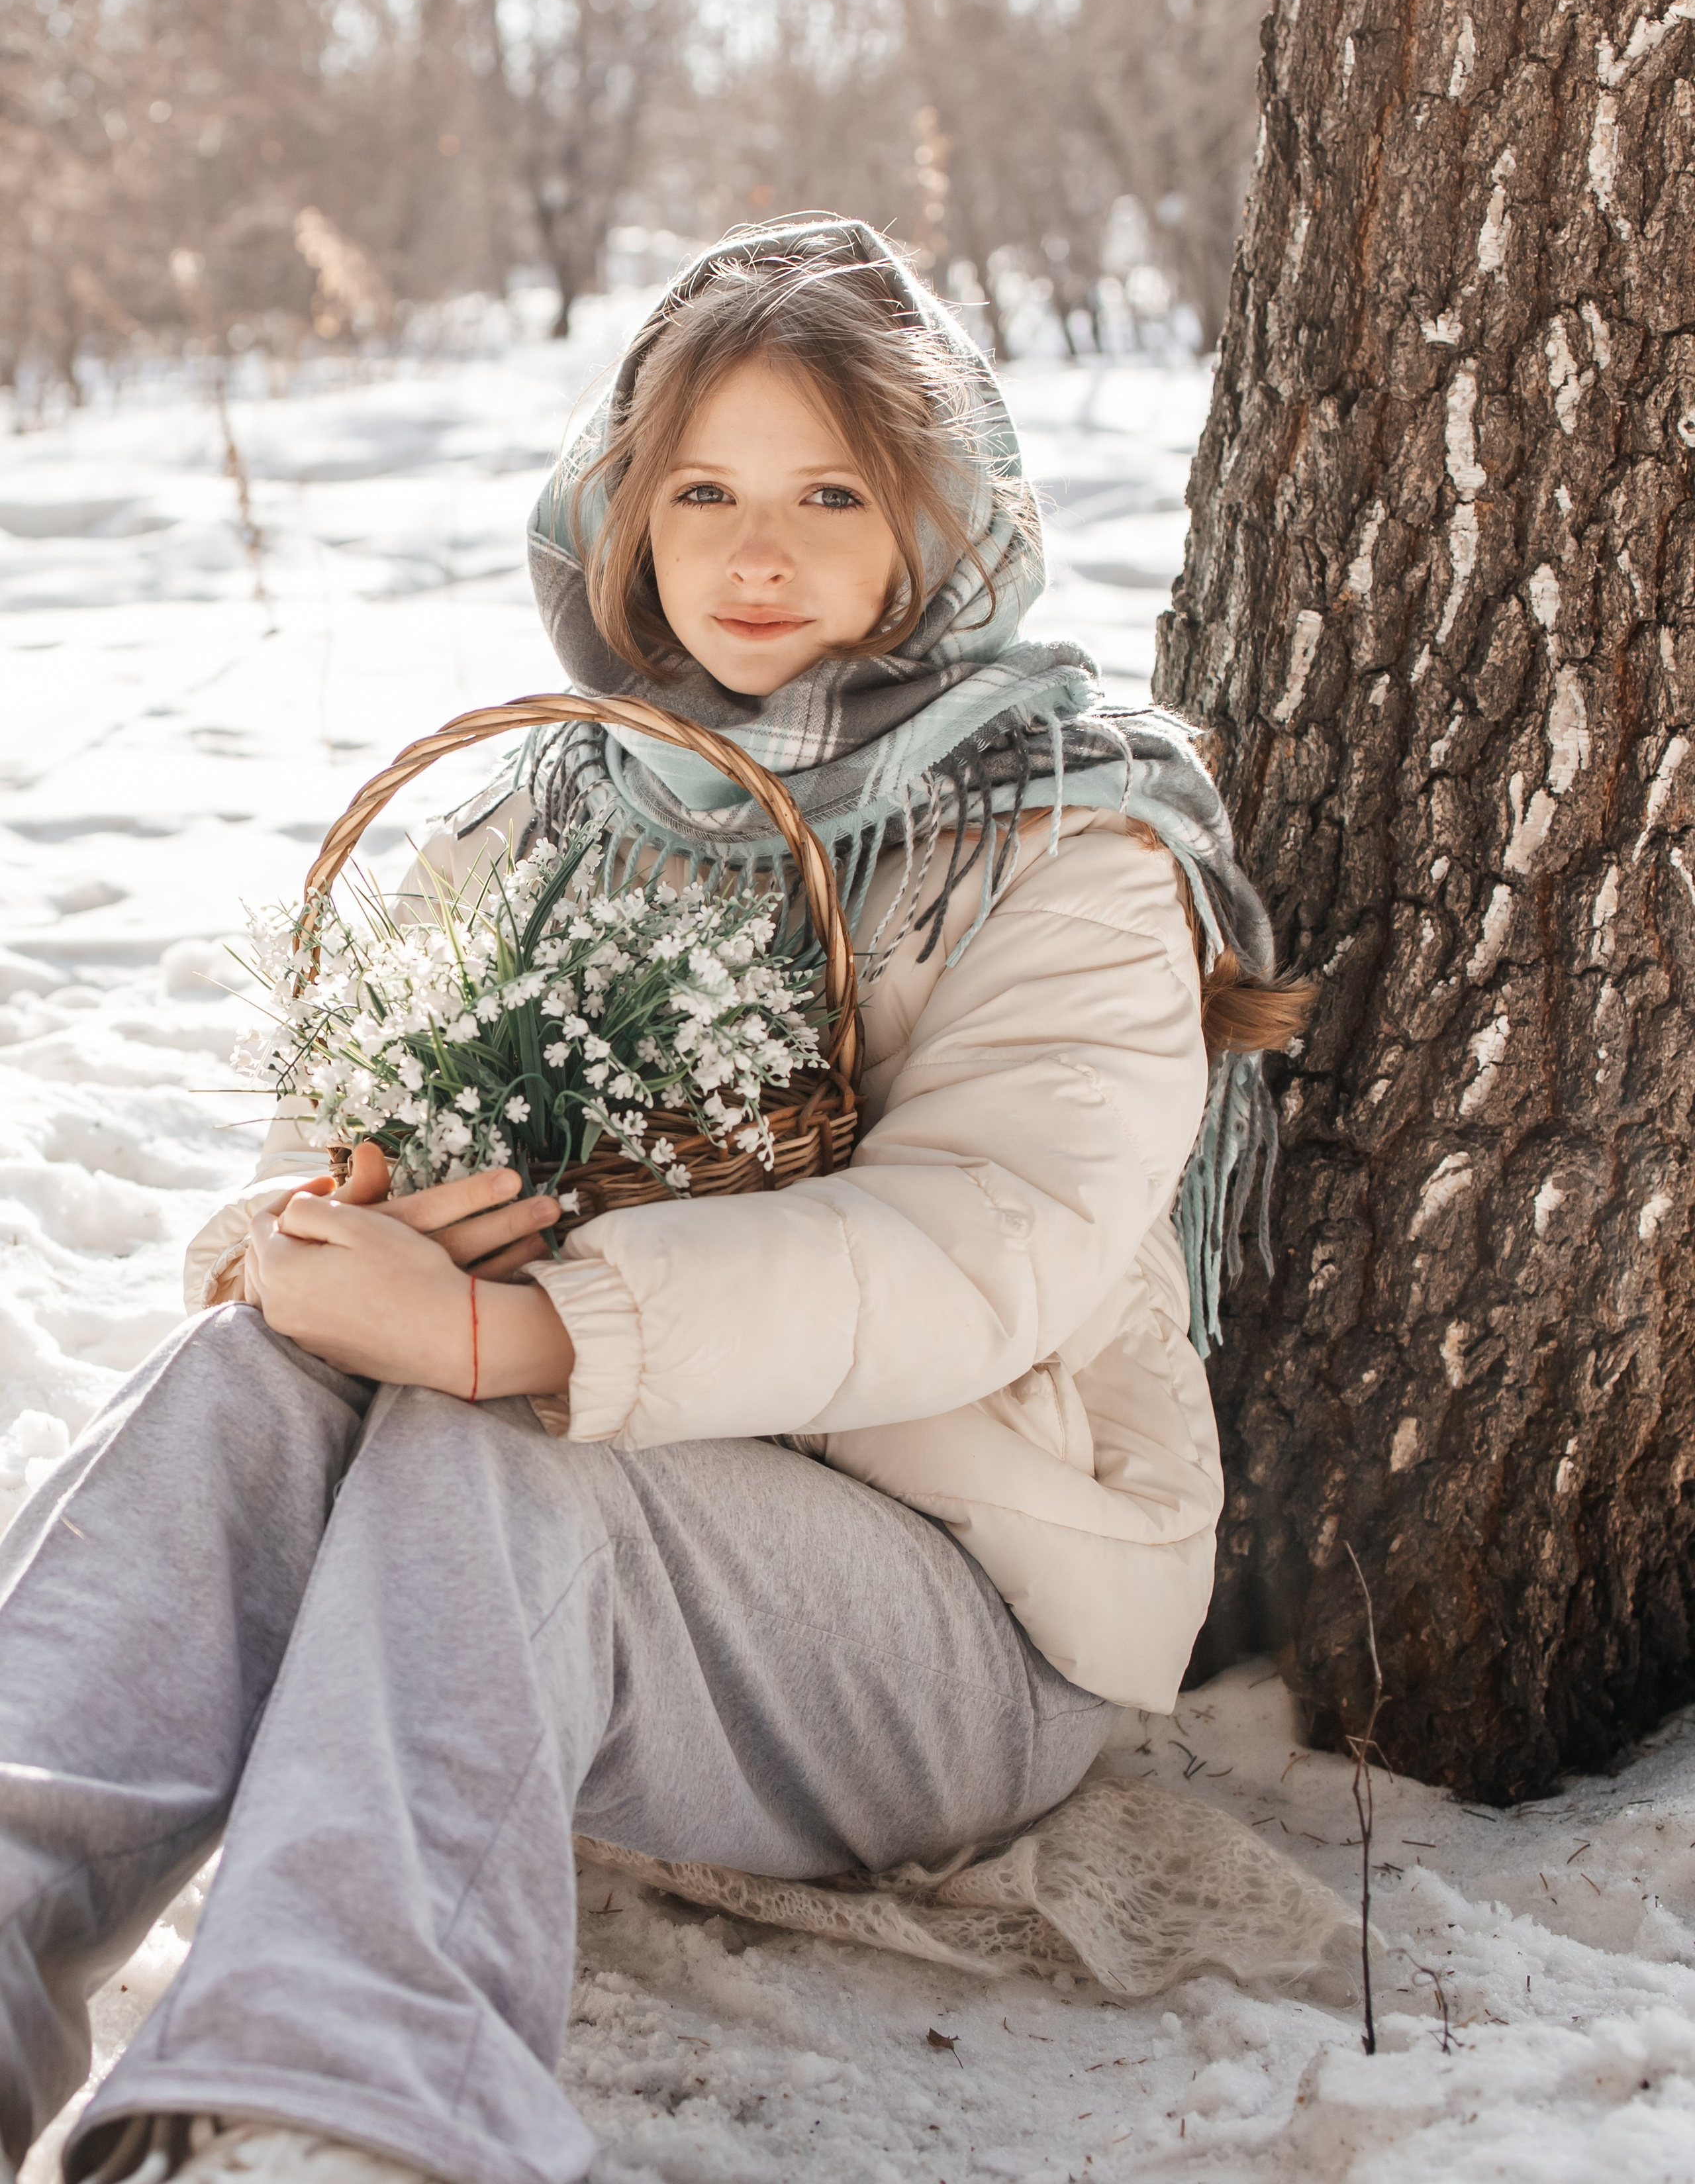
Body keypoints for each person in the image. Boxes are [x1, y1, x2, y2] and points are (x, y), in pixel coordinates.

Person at [0, 218, 1309, 2184]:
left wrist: (514, 1331)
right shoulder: (554, 805)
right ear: (622, 507)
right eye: (703, 487)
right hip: (541, 1590)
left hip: (952, 1596)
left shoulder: (1061, 834)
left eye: (829, 491)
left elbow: (985, 1246)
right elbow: (338, 1113)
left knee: (489, 1444)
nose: (755, 552)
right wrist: (329, 1237)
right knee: (236, 1384)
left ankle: (331, 2111)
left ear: (943, 522)